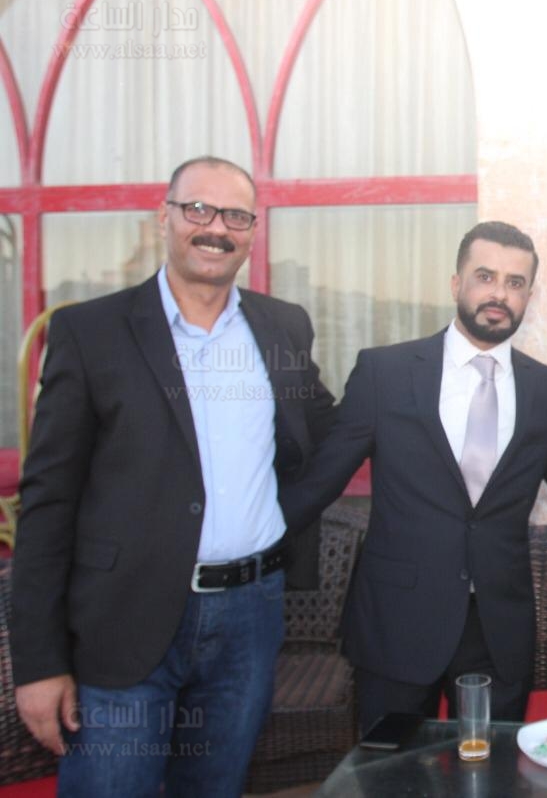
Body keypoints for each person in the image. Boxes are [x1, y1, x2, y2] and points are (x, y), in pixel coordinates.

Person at [11, 156, 336, 797]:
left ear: (253, 231)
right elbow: (48, 501)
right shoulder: (91, 332)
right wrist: (40, 663)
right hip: (124, 616)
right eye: (198, 209)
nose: (216, 228)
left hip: (250, 616)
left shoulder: (282, 326)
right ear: (163, 218)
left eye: (235, 216)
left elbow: (324, 430)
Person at [281, 221, 547, 733]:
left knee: (488, 769)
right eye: (485, 276)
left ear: (529, 295)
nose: (499, 294)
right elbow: (320, 480)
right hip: (398, 621)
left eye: (515, 282)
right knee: (387, 768)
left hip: (498, 629)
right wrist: (248, 546)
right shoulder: (386, 374)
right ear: (457, 283)